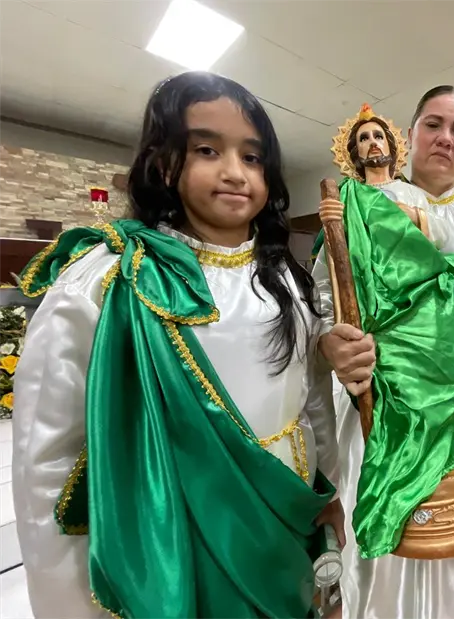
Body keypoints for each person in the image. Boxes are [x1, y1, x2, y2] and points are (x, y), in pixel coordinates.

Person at [12, 72, 341, 619]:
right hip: (176, 530)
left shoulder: (284, 277)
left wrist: (326, 492)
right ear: (164, 162)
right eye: (207, 150)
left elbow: (309, 399)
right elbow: (47, 460)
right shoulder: (105, 280)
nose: (236, 173)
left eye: (254, 157)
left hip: (285, 511)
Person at [316, 87, 454, 619]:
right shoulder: (360, 205)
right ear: (408, 136)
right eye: (433, 125)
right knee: (386, 543)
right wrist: (330, 341)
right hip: (382, 396)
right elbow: (326, 294)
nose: (445, 139)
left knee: (452, 542)